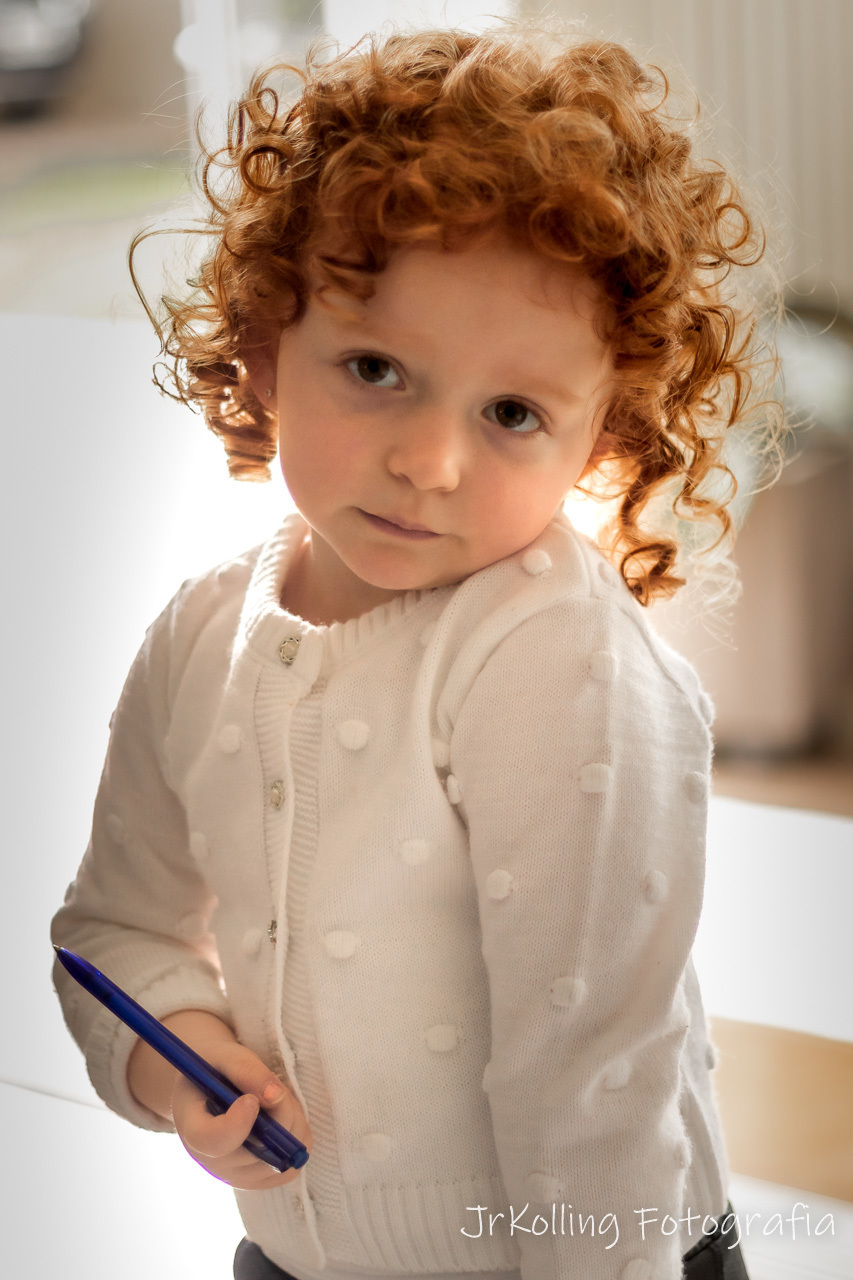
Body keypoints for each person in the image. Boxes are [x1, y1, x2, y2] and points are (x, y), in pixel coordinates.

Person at [51, 21, 783, 1280]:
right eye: (375, 367)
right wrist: (168, 1044)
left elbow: (595, 1071)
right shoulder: (198, 635)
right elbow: (111, 924)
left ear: (602, 435)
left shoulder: (560, 663)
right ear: (269, 344)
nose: (429, 462)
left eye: (511, 412)